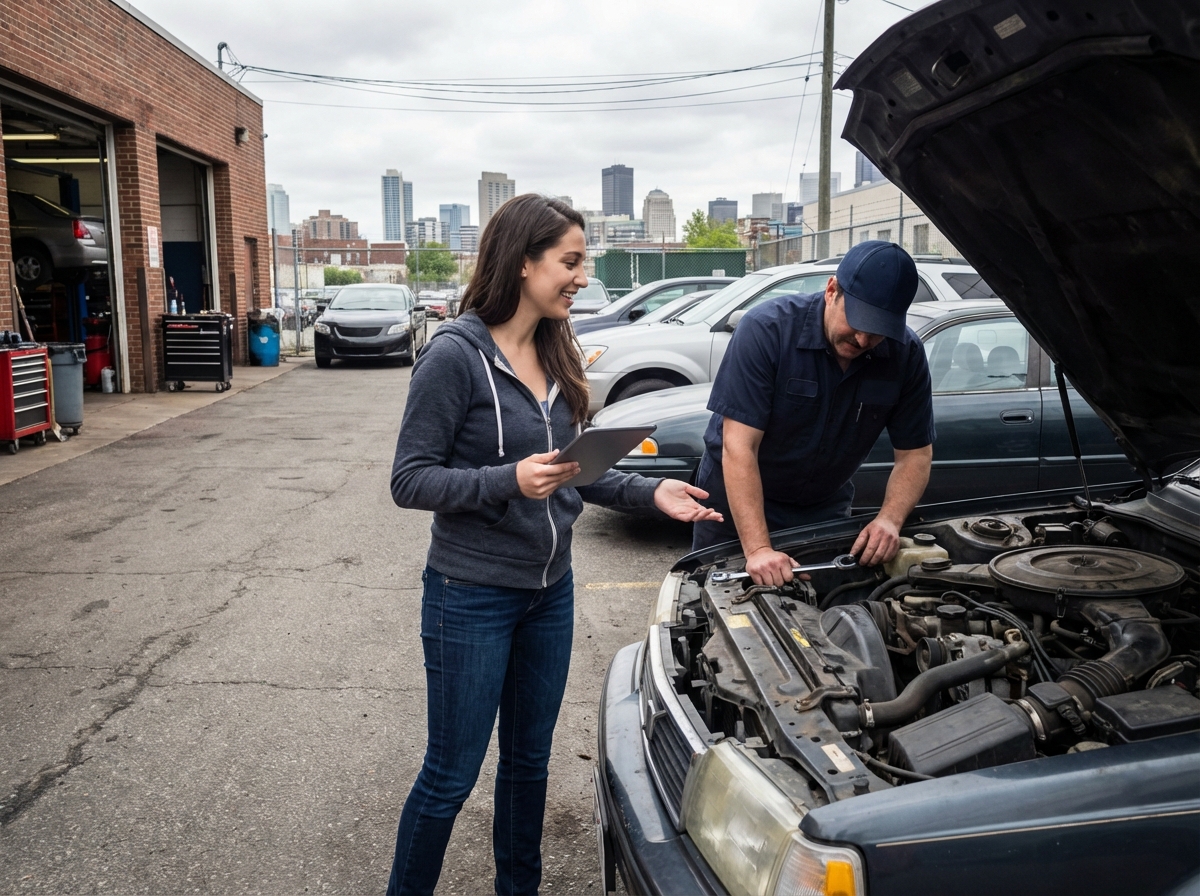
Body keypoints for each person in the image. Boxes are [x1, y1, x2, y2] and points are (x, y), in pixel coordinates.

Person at [387, 194, 721, 896]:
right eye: (569, 262)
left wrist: (647, 492)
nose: (580, 276)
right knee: (450, 776)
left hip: (551, 592)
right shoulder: (454, 357)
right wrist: (507, 480)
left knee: (529, 763)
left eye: (582, 263)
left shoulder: (557, 348)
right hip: (470, 595)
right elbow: (411, 480)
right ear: (523, 262)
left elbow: (575, 470)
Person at [690, 240, 934, 585]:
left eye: (879, 330)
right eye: (858, 321)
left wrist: (890, 519)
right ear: (832, 290)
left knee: (826, 611)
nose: (864, 339)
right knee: (723, 608)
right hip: (733, 507)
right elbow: (739, 447)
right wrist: (758, 549)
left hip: (822, 507)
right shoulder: (766, 330)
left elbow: (916, 454)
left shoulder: (905, 354)